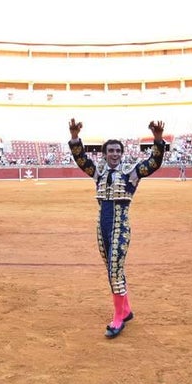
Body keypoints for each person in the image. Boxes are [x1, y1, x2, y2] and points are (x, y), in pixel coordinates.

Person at [68, 118, 166, 339]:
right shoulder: (99, 171)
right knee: (112, 270)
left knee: (114, 270)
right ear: (104, 154)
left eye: (117, 151)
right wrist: (75, 138)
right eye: (110, 151)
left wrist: (158, 139)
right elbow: (81, 159)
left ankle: (118, 318)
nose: (114, 154)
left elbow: (153, 163)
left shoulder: (131, 172)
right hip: (101, 227)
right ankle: (127, 309)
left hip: (120, 226)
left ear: (121, 154)